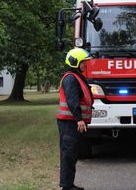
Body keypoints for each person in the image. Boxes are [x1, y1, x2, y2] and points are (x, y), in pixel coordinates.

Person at [57, 48, 94, 190]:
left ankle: (69, 184)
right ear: (75, 62)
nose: (85, 65)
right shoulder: (71, 79)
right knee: (68, 154)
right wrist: (79, 119)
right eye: (83, 62)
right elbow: (72, 101)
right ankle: (66, 186)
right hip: (69, 123)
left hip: (72, 122)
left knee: (72, 154)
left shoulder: (76, 77)